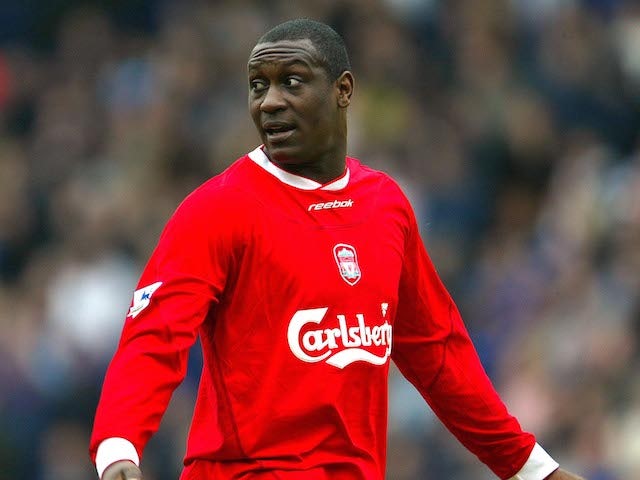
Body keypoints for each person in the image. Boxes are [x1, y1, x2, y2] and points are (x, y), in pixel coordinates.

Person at [89, 18, 585, 480]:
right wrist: (118, 448)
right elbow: (154, 335)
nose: (270, 102)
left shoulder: (385, 205)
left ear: (343, 90)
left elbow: (437, 354)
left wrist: (530, 467)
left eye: (292, 82)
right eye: (258, 86)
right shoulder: (218, 209)